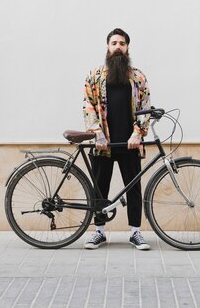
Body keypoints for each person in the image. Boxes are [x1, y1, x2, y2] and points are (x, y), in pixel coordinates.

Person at [83, 28, 151, 250]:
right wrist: (97, 133)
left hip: (129, 142)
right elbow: (88, 105)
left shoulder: (138, 77)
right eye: (114, 43)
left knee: (134, 188)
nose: (118, 47)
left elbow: (145, 107)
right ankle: (99, 232)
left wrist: (137, 133)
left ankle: (135, 233)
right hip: (103, 143)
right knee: (99, 187)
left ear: (128, 47)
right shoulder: (94, 76)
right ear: (107, 47)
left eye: (122, 43)